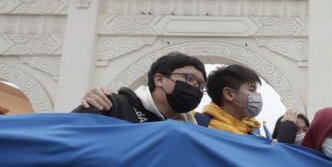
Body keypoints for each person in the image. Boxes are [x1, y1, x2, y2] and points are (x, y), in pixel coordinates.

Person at [73, 52, 205, 124]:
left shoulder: (193, 129)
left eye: (201, 85)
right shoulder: (109, 105)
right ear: (159, 79)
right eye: (189, 78)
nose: (195, 87)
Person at [197, 64, 264, 135]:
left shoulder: (255, 134)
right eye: (251, 90)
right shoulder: (197, 125)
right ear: (229, 94)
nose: (257, 95)